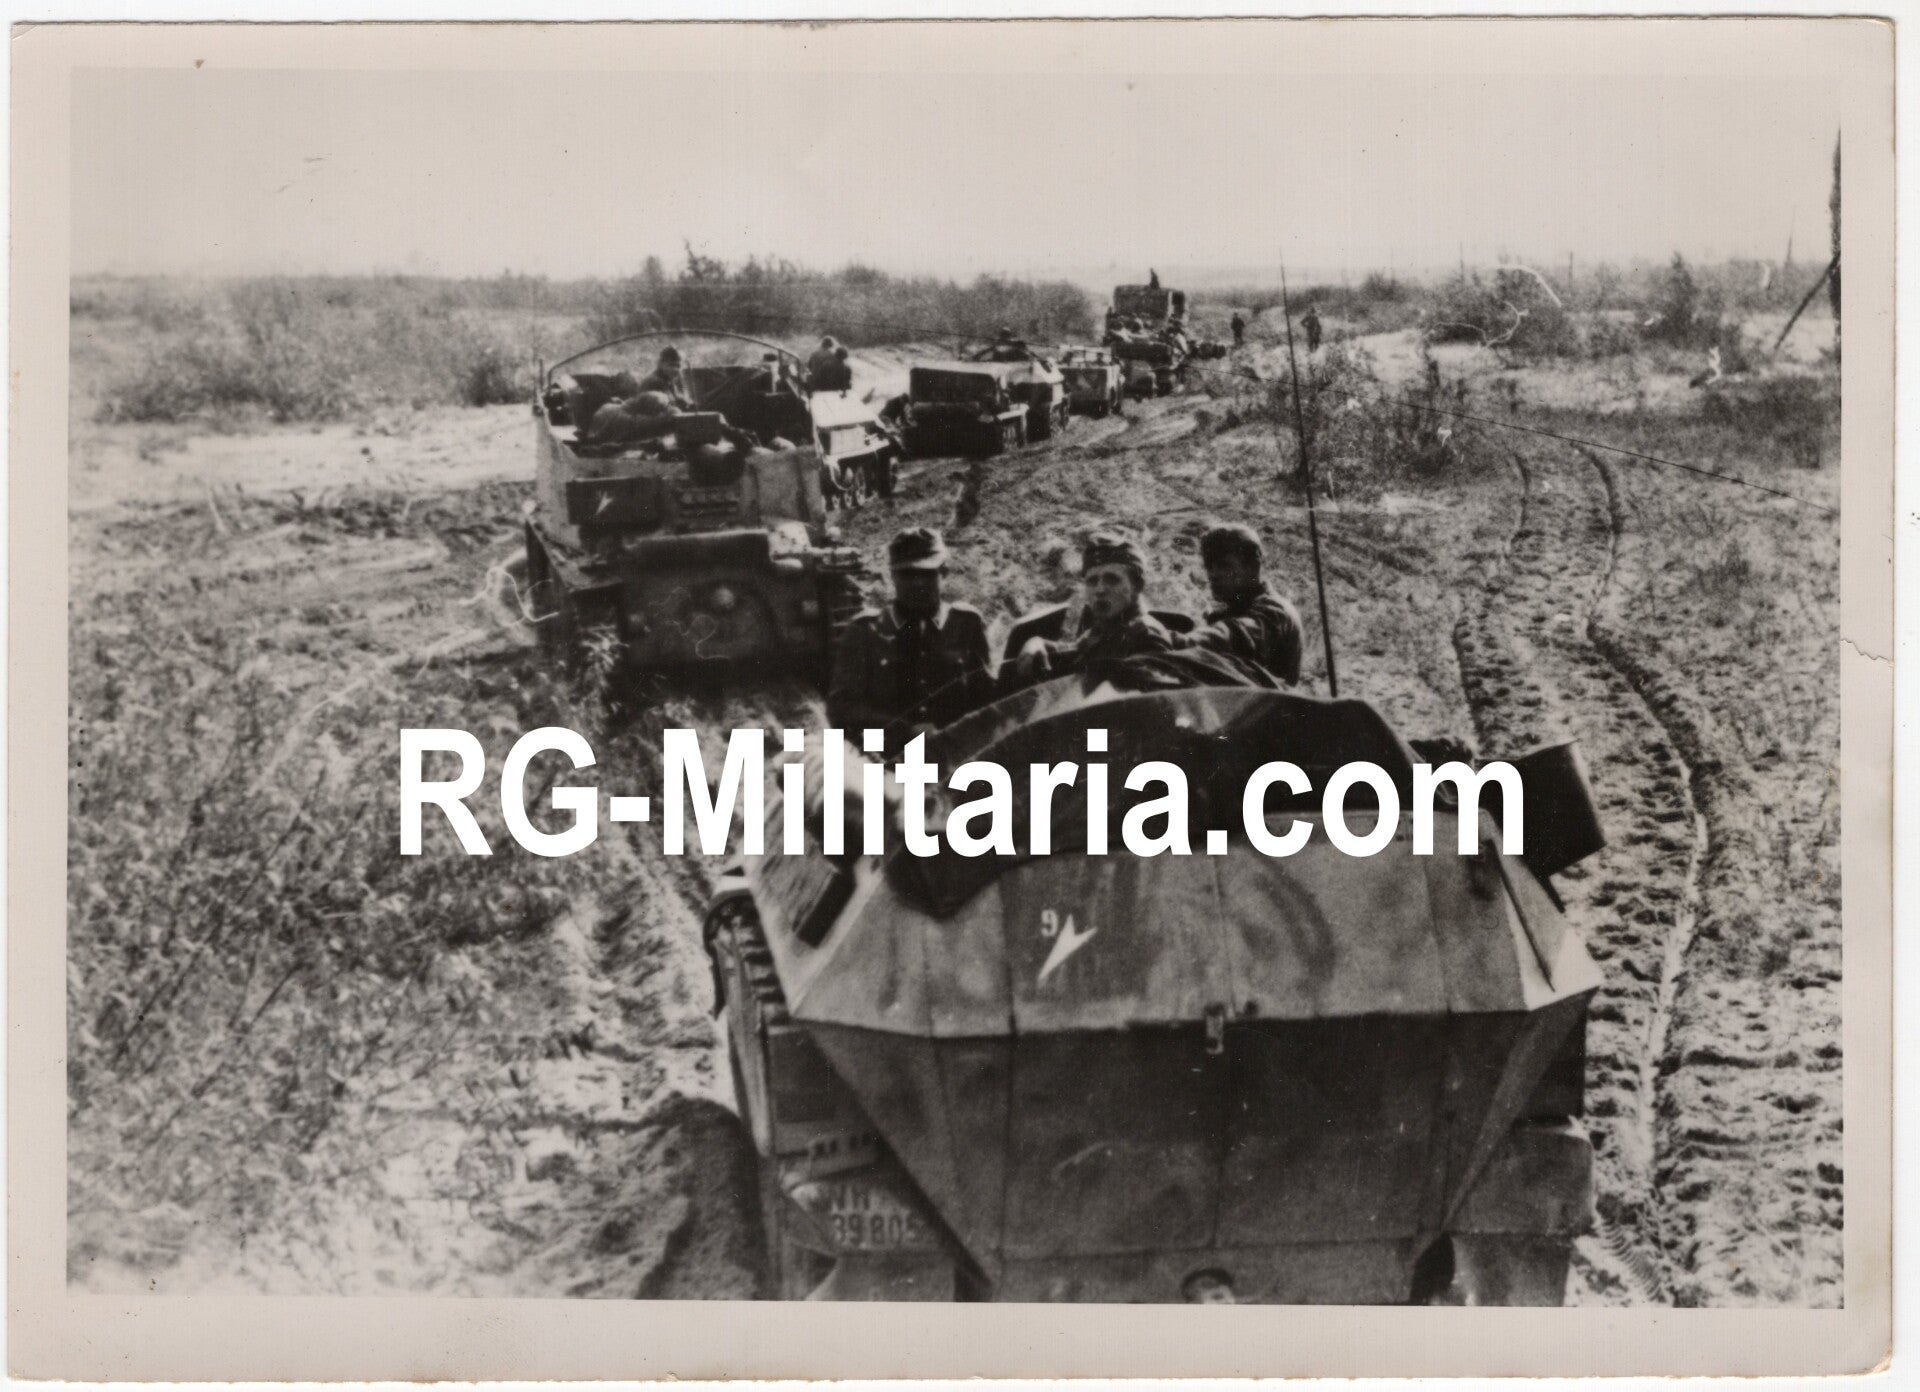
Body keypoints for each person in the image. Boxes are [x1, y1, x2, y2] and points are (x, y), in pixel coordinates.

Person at [828, 528, 994, 746]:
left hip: (957, 752)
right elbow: (842, 710)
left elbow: (988, 699)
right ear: (892, 576)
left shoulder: (966, 624)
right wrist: (904, 732)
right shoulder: (865, 631)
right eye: (907, 574)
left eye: (927, 573)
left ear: (944, 572)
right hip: (888, 756)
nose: (917, 583)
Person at [1014, 534, 1176, 681]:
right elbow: (1074, 650)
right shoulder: (1105, 629)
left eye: (1112, 579)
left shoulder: (1146, 637)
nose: (1099, 590)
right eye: (1092, 581)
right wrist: (1037, 642)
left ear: (1137, 586)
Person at [1179, 523, 1304, 684]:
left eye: (1224, 565)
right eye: (1209, 566)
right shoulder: (1234, 609)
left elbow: (1239, 634)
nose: (1213, 574)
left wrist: (1182, 641)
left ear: (1252, 567)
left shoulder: (1274, 611)